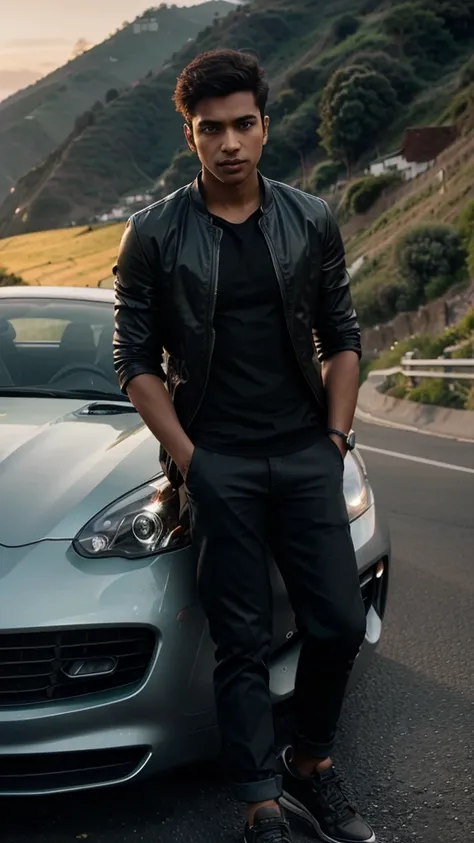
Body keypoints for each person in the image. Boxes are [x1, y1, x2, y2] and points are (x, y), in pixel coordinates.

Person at [113, 48, 375, 843]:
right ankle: (262, 799)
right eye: (211, 129)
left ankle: (310, 763)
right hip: (217, 457)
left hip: (304, 450)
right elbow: (135, 360)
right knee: (242, 640)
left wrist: (333, 437)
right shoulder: (153, 233)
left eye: (243, 124)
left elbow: (344, 336)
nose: (230, 142)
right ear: (190, 137)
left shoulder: (310, 218)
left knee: (335, 620)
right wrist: (192, 461)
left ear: (265, 126)